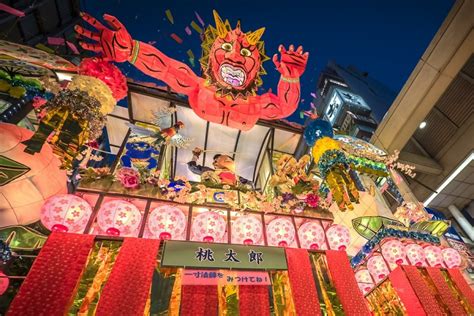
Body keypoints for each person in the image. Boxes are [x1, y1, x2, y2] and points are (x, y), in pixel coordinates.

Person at [187, 147, 254, 189]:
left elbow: (250, 184)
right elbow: (192, 167)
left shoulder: (236, 177)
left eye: (227, 159)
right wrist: (195, 155)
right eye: (216, 161)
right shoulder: (210, 172)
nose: (217, 162)